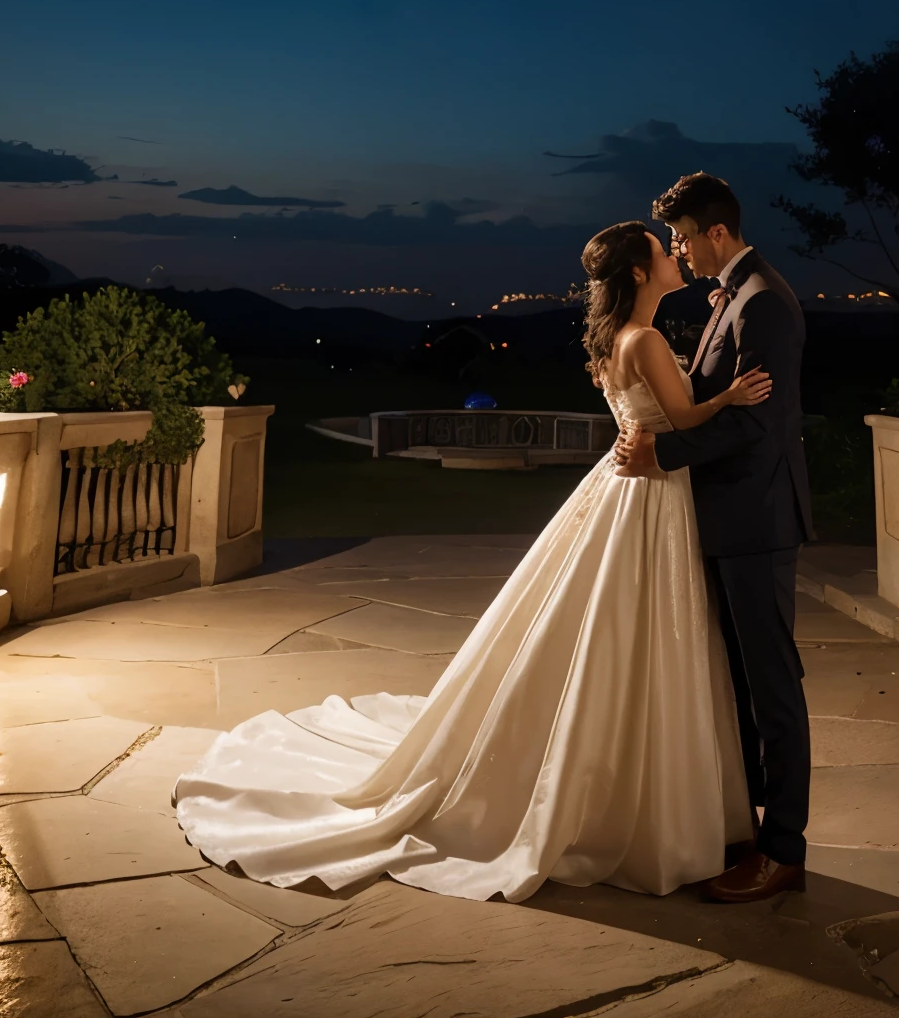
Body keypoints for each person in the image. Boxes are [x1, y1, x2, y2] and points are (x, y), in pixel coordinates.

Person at [173, 220, 770, 903]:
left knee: (611, 630)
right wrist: (728, 396)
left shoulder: (614, 342)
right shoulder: (647, 339)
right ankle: (652, 800)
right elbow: (686, 418)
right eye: (663, 252)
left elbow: (651, 414)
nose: (674, 257)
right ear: (638, 272)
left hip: (623, 483)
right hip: (653, 493)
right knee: (646, 632)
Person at [614, 171, 812, 902]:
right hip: (725, 518)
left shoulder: (762, 304)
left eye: (683, 238)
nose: (679, 250)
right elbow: (714, 401)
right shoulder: (734, 296)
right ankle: (749, 827)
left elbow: (758, 424)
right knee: (738, 684)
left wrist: (661, 454)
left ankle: (783, 850)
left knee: (772, 689)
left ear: (716, 234)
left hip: (756, 521)